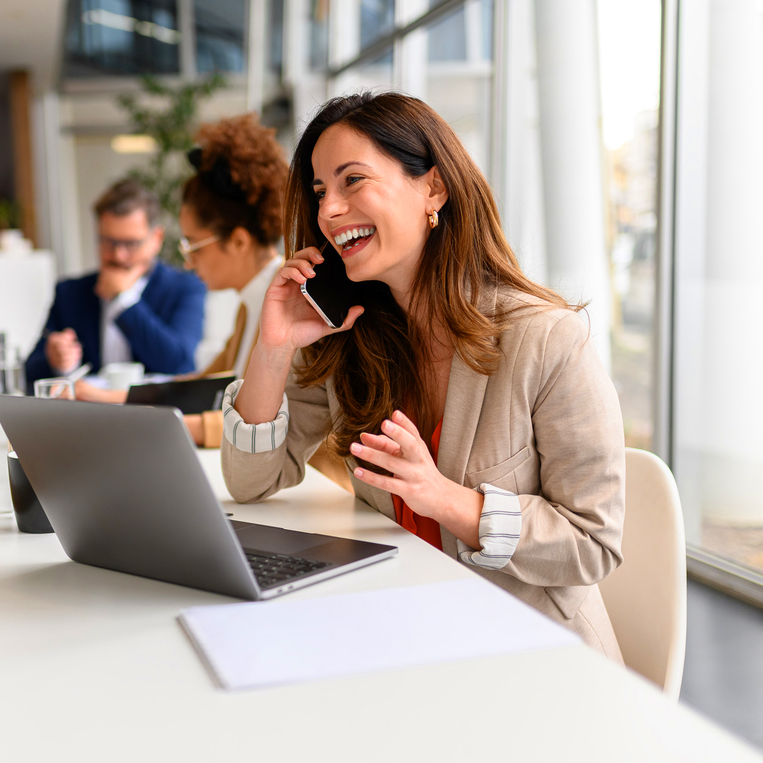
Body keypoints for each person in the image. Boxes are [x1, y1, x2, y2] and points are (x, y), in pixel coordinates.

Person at [220, 92, 626, 659]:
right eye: (319, 193)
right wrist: (273, 347)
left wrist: (445, 499)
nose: (328, 211)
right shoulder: (353, 336)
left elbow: (592, 543)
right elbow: (251, 481)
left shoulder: (545, 340)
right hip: (402, 631)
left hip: (529, 656)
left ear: (432, 189)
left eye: (352, 181)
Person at [76, 114, 288, 450]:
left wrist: (131, 420)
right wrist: (105, 399)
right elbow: (201, 387)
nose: (188, 261)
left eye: (193, 244)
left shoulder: (284, 306)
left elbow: (257, 423)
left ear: (238, 241)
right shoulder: (250, 304)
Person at [25, 180, 206, 390]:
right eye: (108, 242)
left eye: (131, 244)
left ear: (156, 239)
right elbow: (29, 370)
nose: (119, 255)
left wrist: (124, 300)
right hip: (87, 416)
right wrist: (56, 361)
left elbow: (179, 365)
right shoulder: (70, 293)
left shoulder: (185, 287)